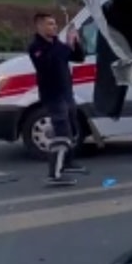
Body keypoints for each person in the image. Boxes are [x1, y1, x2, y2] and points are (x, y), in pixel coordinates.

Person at [29, 12, 89, 186]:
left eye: (55, 24)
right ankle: (54, 175)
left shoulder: (57, 44)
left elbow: (79, 57)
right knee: (62, 133)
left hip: (66, 93)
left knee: (72, 130)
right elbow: (48, 63)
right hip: (53, 96)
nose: (54, 27)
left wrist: (75, 42)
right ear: (39, 26)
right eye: (50, 24)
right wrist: (66, 45)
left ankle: (68, 163)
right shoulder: (37, 48)